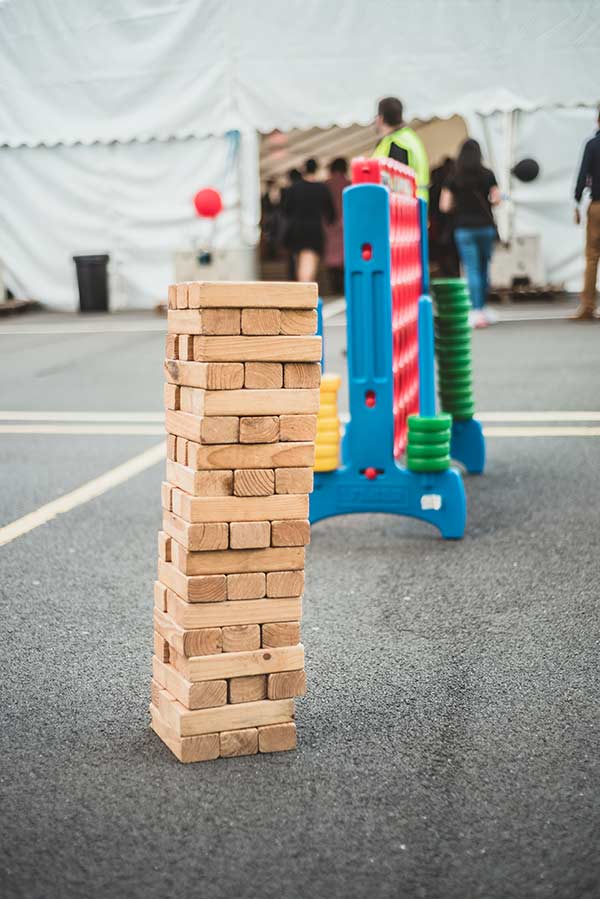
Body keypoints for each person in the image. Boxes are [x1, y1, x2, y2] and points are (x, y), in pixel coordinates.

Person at [439, 139, 501, 328]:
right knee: (484, 269)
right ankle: (482, 307)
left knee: (471, 269)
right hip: (485, 227)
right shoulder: (487, 174)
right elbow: (497, 199)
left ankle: (475, 311)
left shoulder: (454, 176)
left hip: (464, 228)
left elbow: (444, 205)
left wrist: (459, 207)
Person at [282, 158, 336, 283]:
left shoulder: (294, 189)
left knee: (299, 262)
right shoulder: (322, 188)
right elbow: (331, 215)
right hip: (314, 230)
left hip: (296, 230)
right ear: (316, 169)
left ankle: (303, 290)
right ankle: (306, 291)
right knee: (309, 262)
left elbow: (285, 210)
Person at [373, 97, 429, 201]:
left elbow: (396, 183)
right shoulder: (410, 138)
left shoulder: (397, 143)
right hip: (416, 204)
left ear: (381, 118)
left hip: (402, 208)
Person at [573, 108, 600, 320]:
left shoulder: (592, 145)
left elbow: (583, 175)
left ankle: (588, 306)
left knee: (592, 256)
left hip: (597, 205)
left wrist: (577, 200)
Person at [429, 156, 460, 278]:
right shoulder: (455, 181)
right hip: (453, 225)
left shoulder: (435, 187)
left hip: (438, 227)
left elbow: (440, 207)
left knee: (442, 255)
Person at [324, 157, 350, 294]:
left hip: (328, 226)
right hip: (347, 226)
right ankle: (344, 289)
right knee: (345, 256)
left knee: (331, 257)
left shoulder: (325, 184)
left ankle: (335, 288)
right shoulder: (350, 184)